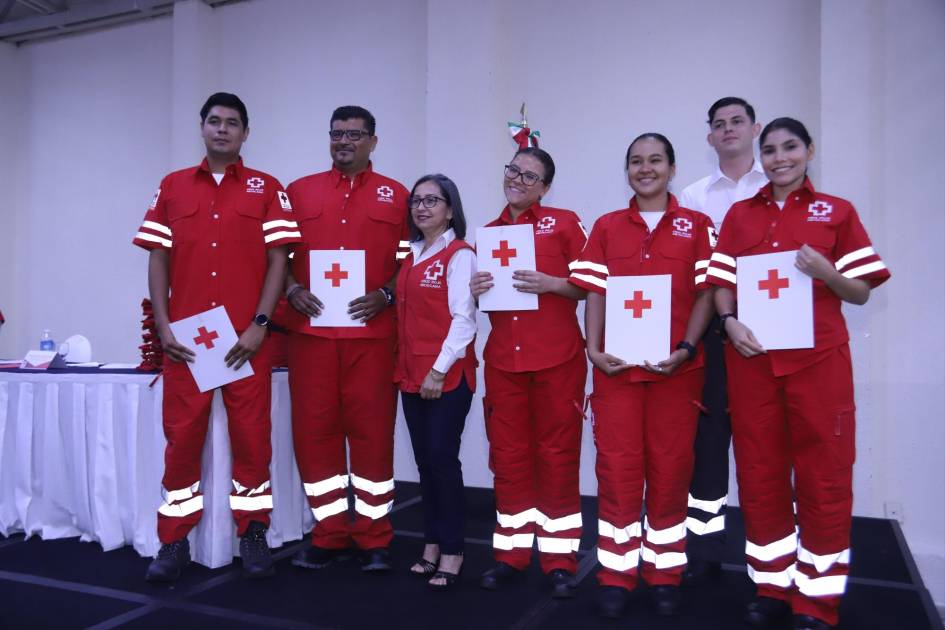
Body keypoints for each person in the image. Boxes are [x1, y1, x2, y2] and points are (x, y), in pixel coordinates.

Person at [706, 118, 890, 630]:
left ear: (809, 150)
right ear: (760, 157)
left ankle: (817, 599)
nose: (780, 158)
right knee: (759, 476)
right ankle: (771, 585)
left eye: (790, 147)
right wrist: (728, 320)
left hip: (818, 365)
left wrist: (827, 273)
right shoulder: (740, 215)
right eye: (770, 150)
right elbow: (722, 282)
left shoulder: (837, 211)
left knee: (824, 479)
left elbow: (861, 292)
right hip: (754, 365)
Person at [132, 92, 300, 581]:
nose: (222, 129)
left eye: (231, 123)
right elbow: (158, 258)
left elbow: (279, 261)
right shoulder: (173, 186)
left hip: (246, 340)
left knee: (253, 439)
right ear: (202, 128)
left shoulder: (267, 188)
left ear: (246, 133)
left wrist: (260, 325)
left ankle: (254, 532)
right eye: (214, 121)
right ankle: (174, 541)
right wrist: (163, 324)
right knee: (182, 438)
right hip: (186, 340)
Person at [569, 133, 715, 618]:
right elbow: (595, 292)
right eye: (636, 161)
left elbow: (706, 294)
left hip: (678, 373)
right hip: (617, 374)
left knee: (672, 472)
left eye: (655, 160)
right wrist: (593, 348)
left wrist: (686, 348)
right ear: (627, 169)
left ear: (672, 168)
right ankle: (615, 574)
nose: (645, 168)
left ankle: (664, 573)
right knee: (617, 473)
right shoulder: (608, 227)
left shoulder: (698, 226)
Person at [284, 105, 410, 572]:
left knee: (372, 434)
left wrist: (386, 295)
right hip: (311, 337)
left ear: (373, 141)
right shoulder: (298, 192)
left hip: (372, 338)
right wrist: (291, 290)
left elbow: (411, 260)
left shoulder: (397, 196)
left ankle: (375, 535)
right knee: (314, 434)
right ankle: (329, 532)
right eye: (337, 133)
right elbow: (275, 256)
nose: (344, 141)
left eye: (355, 135)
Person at [470, 147, 588, 599]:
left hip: (557, 360)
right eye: (513, 170)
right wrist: (476, 289)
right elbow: (484, 301)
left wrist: (552, 283)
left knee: (558, 457)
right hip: (504, 362)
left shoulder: (565, 223)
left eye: (529, 176)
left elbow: (591, 283)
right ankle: (511, 554)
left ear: (545, 187)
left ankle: (559, 560)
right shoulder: (489, 234)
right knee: (508, 458)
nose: (517, 180)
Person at [677, 96, 768, 582]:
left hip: (773, 331)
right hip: (715, 331)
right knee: (708, 445)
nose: (728, 129)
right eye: (719, 124)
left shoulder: (778, 187)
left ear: (755, 129)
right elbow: (696, 272)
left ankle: (769, 557)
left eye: (737, 121)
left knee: (766, 447)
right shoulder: (693, 196)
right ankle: (704, 550)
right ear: (710, 136)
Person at [396, 174, 476, 590]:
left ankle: (453, 550)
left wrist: (438, 370)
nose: (422, 207)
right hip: (411, 375)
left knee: (443, 463)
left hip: (445, 376)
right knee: (425, 463)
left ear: (449, 209)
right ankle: (431, 543)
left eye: (432, 200)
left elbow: (464, 320)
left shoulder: (460, 255)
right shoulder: (410, 253)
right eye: (416, 200)